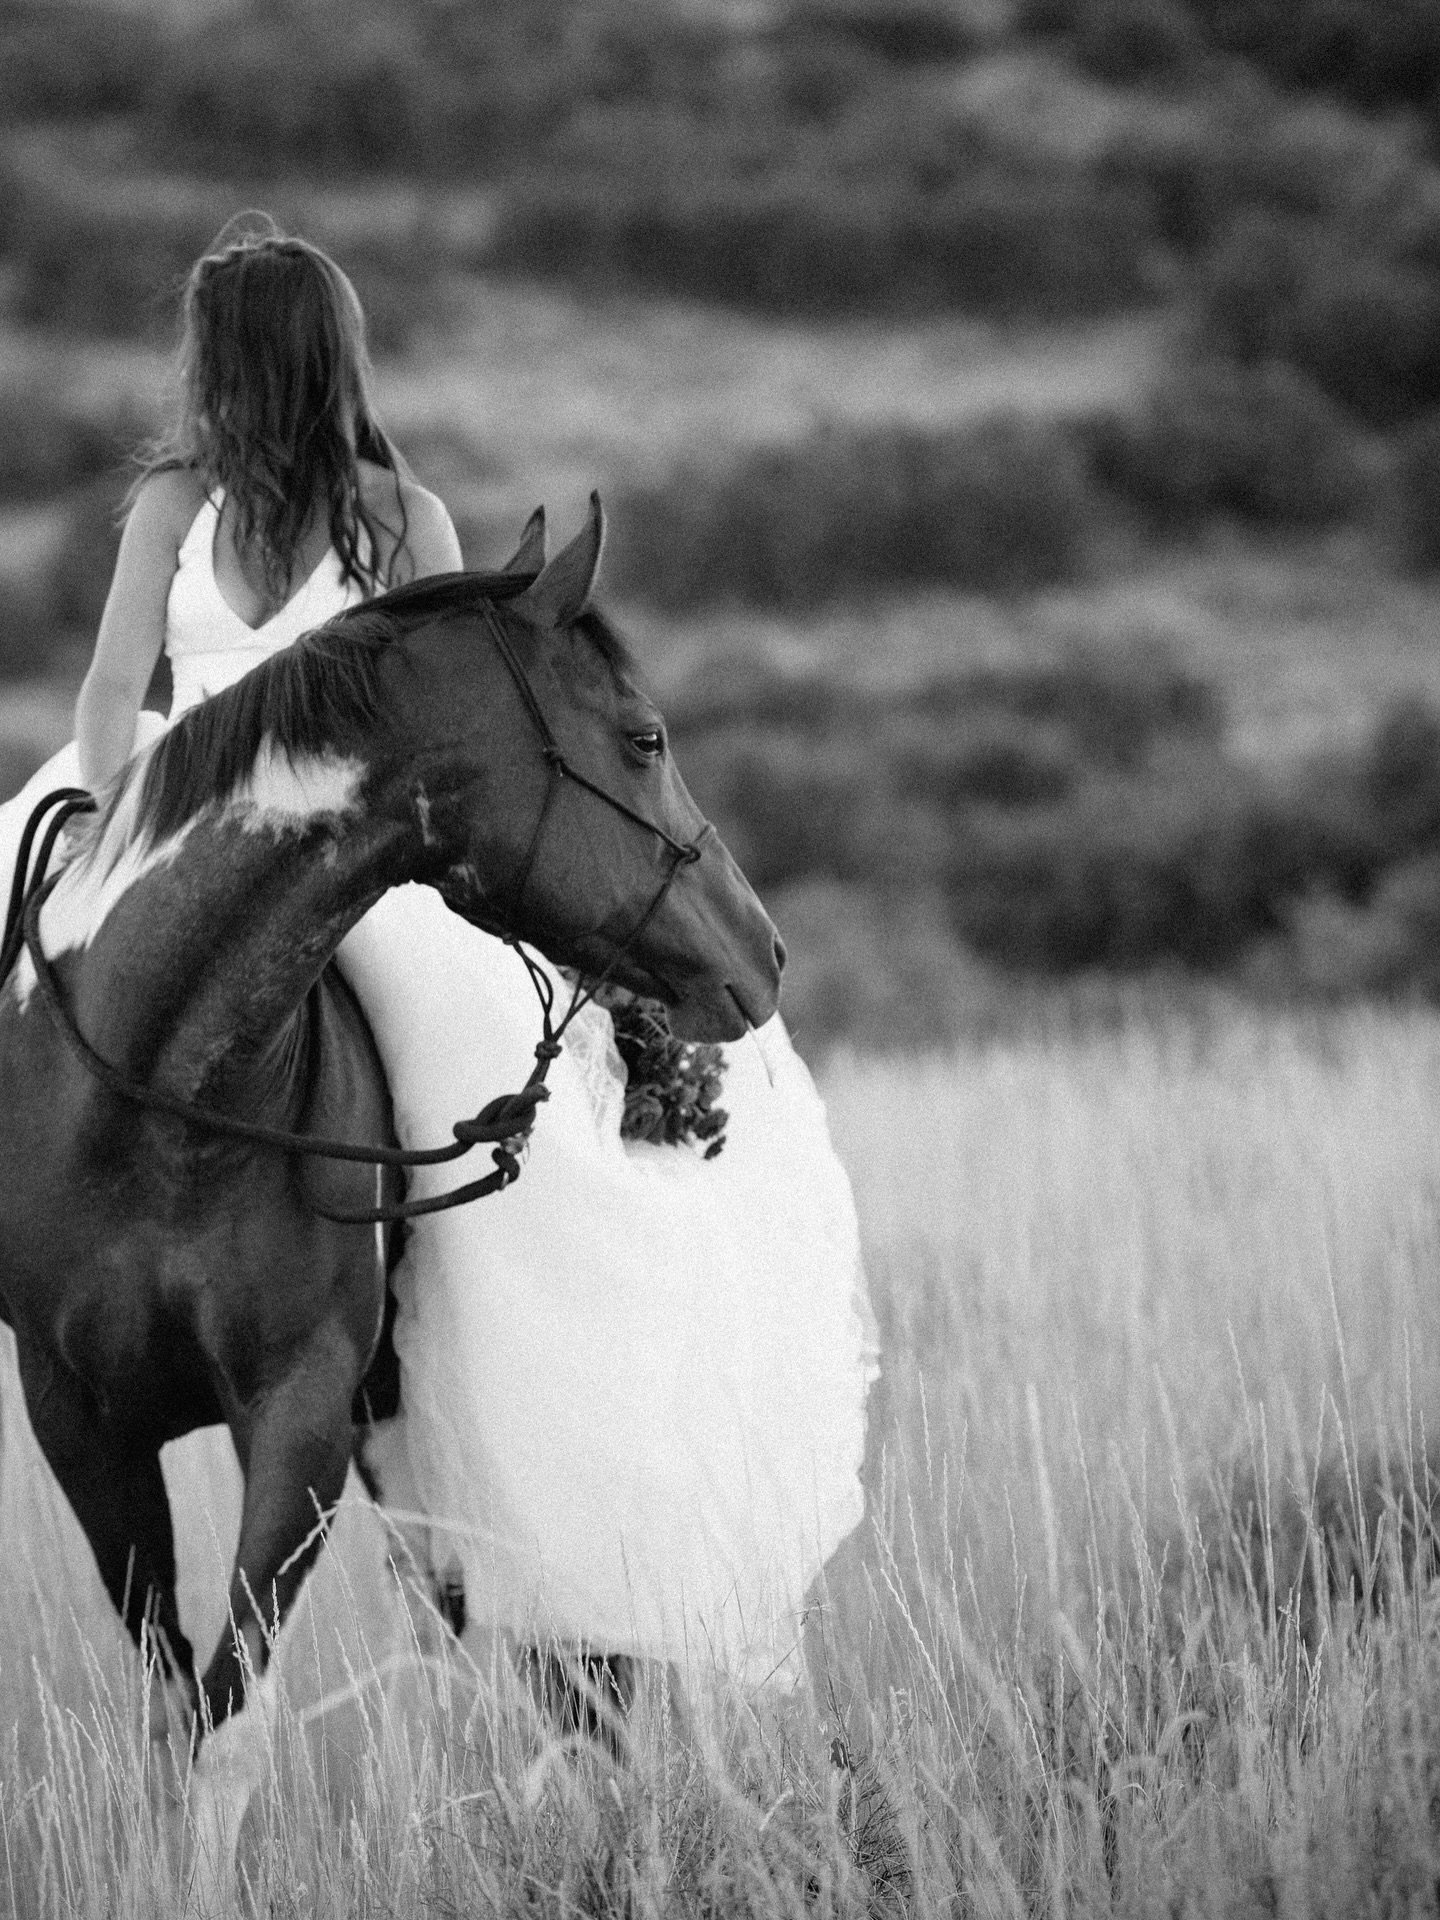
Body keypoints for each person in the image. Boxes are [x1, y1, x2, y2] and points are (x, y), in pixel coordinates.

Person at [3, 216, 876, 1691]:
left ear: (239, 362)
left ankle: (466, 1357)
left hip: (360, 856)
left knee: (483, 1067)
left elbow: (447, 723)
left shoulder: (401, 518)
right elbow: (109, 686)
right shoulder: (169, 506)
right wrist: (108, 816)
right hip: (181, 821)